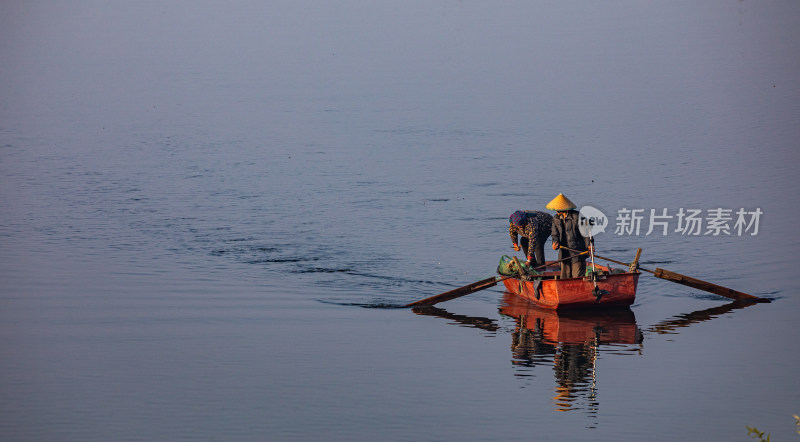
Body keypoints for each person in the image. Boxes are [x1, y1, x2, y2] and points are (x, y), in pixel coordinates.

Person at [547, 193, 592, 279]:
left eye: (559, 210)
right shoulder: (556, 218)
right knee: (564, 277)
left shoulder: (578, 216)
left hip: (578, 252)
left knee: (577, 276)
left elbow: (587, 233)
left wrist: (589, 245)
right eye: (556, 211)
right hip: (564, 252)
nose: (557, 212)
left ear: (565, 209)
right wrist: (555, 242)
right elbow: (554, 234)